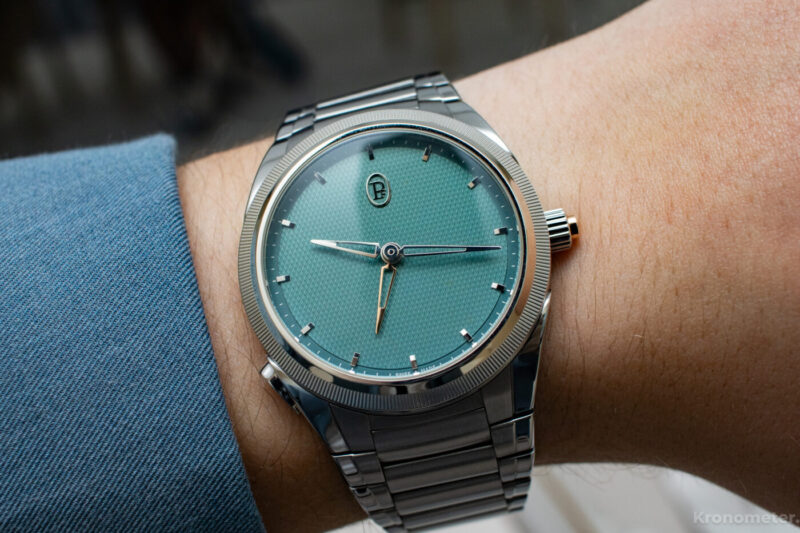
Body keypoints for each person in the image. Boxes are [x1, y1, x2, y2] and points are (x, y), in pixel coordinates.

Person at [1, 0, 798, 531]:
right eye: (386, 251)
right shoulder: (278, 278)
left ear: (547, 232)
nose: (389, 253)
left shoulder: (512, 250)